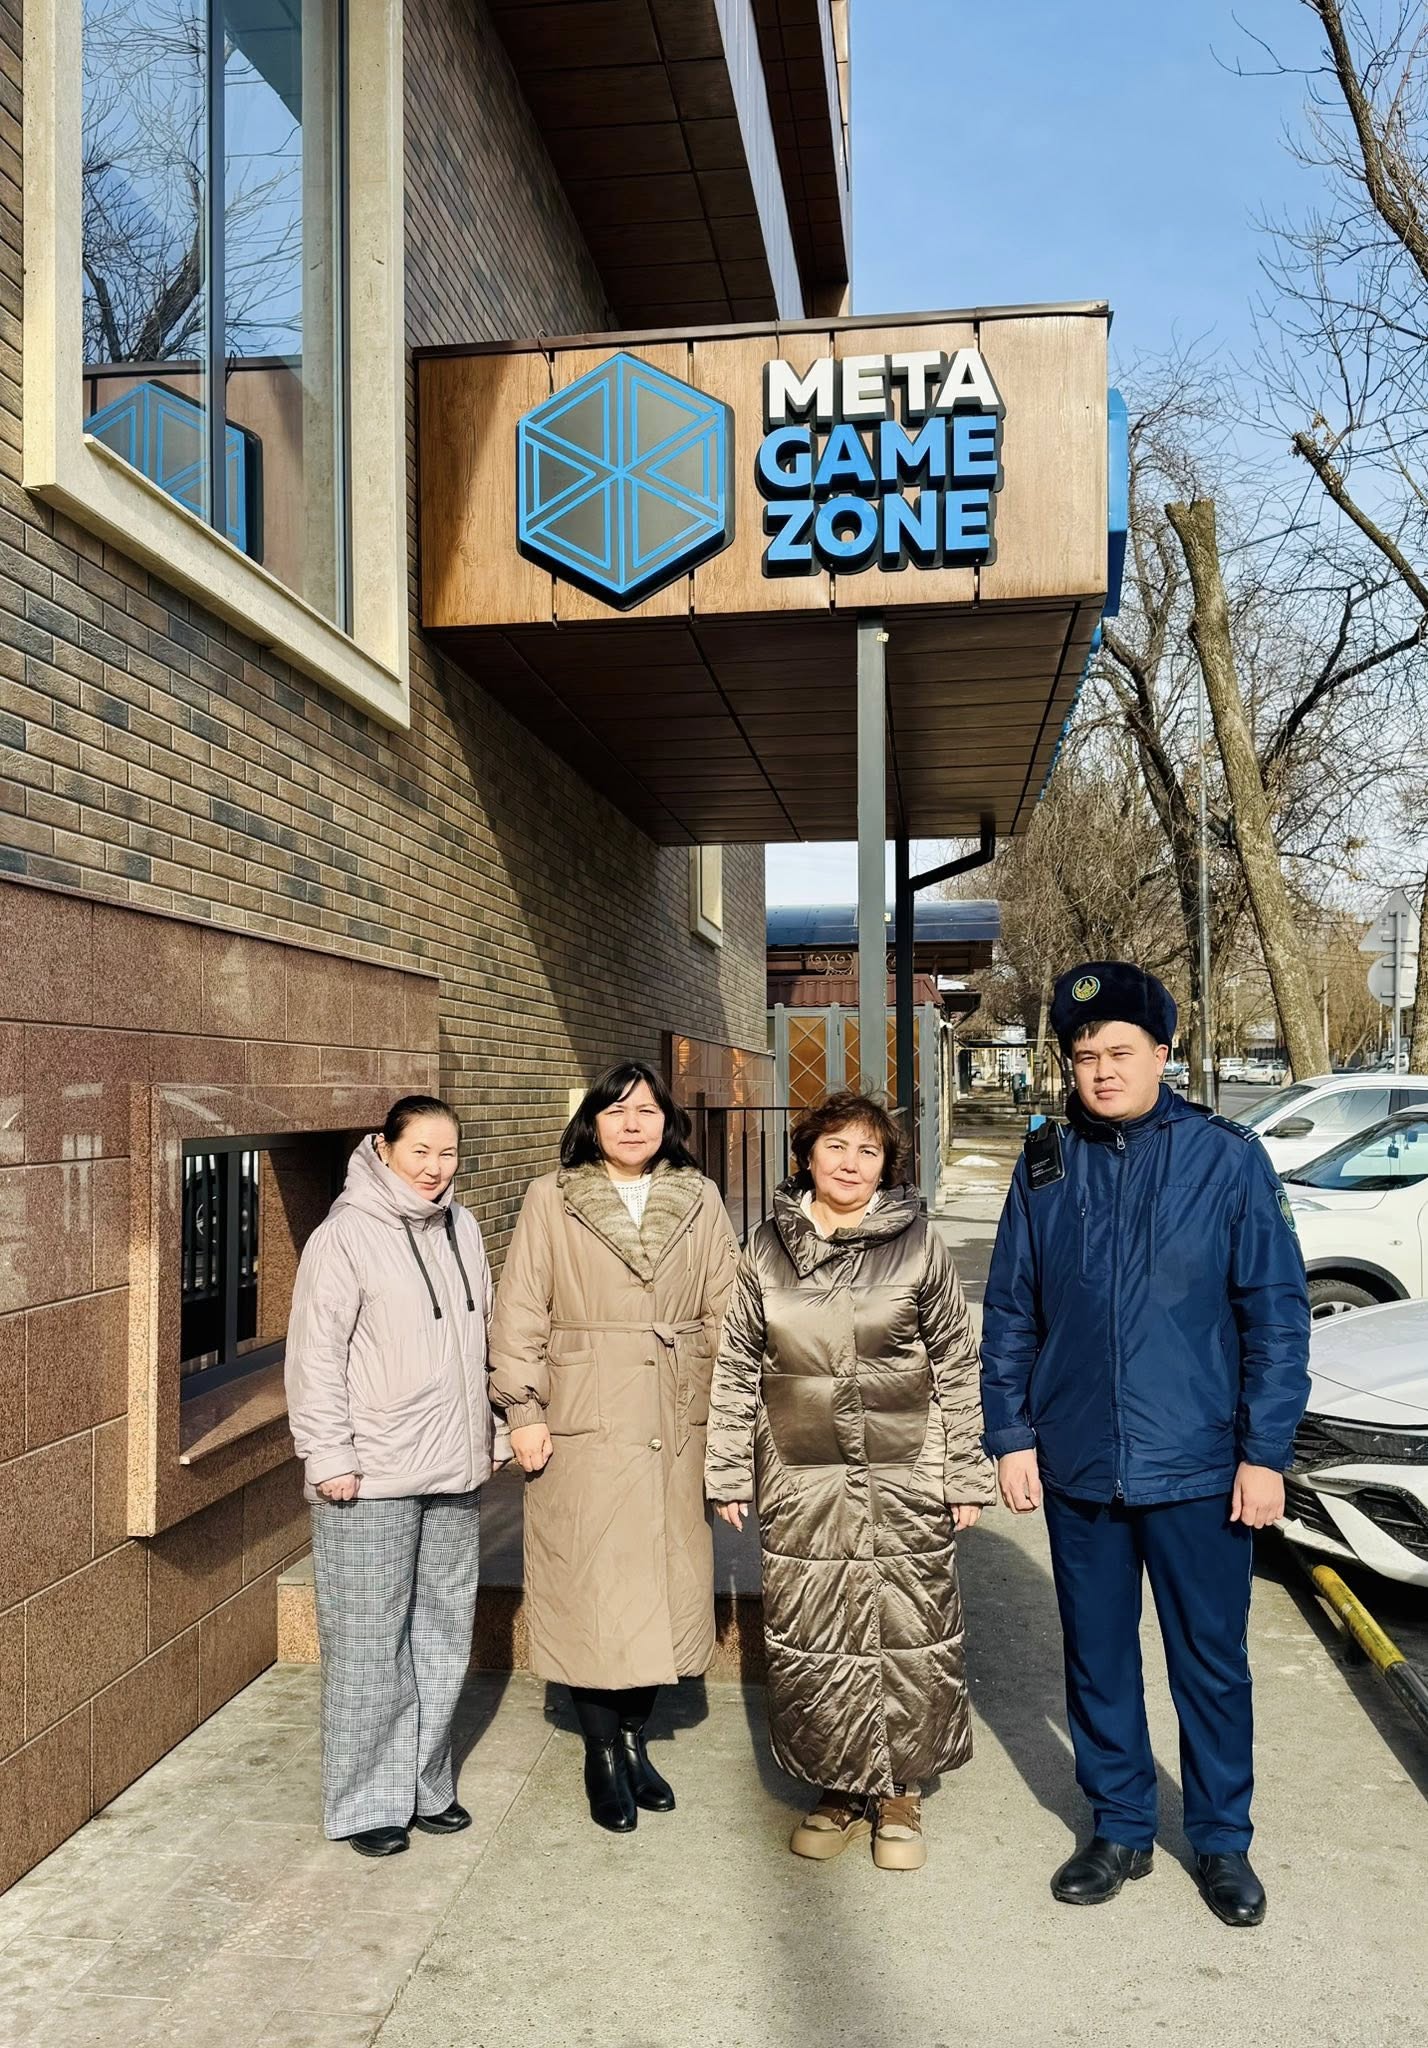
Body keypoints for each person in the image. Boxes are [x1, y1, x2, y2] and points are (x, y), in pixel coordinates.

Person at [981, 963, 1311, 1927]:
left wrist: (1265, 1453)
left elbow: (1276, 1316)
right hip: (1080, 1460)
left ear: (1164, 1053)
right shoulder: (1045, 1162)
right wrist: (1011, 1434)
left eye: (1121, 1051)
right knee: (1097, 1657)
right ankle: (1120, 1826)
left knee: (1210, 1662)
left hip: (1200, 1464)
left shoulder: (1227, 1160)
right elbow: (1011, 1310)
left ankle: (1221, 1840)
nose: (1102, 1070)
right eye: (1084, 1055)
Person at [705, 1091, 994, 1872]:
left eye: (868, 1151)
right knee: (818, 1630)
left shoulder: (918, 1245)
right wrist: (728, 1468)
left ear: (885, 1167)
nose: (850, 1163)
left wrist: (965, 1471)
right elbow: (737, 1363)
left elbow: (957, 1361)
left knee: (909, 1628)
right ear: (806, 1155)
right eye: (835, 1146)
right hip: (801, 1471)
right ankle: (837, 1784)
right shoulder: (766, 1247)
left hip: (905, 1469)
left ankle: (899, 1789)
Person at [487, 1060, 740, 1832]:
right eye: (617, 1111)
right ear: (591, 1123)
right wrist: (523, 1408)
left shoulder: (699, 1197)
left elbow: (728, 1309)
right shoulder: (552, 1197)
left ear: (669, 1123)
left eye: (648, 1111)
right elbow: (521, 1307)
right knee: (593, 1586)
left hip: (675, 1415)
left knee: (664, 1581)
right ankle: (601, 1752)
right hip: (584, 1416)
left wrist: (729, 1417)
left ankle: (634, 1738)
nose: (634, 1124)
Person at [285, 1095, 503, 1858]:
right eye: (421, 1153)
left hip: (454, 1467)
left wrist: (492, 1430)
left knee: (443, 1634)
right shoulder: (343, 1236)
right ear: (384, 1149)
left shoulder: (463, 1227)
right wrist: (329, 1456)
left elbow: (484, 1339)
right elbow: (314, 1356)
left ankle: (425, 1784)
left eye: (448, 1154)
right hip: (370, 1474)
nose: (435, 1169)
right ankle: (368, 1802)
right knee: (368, 1641)